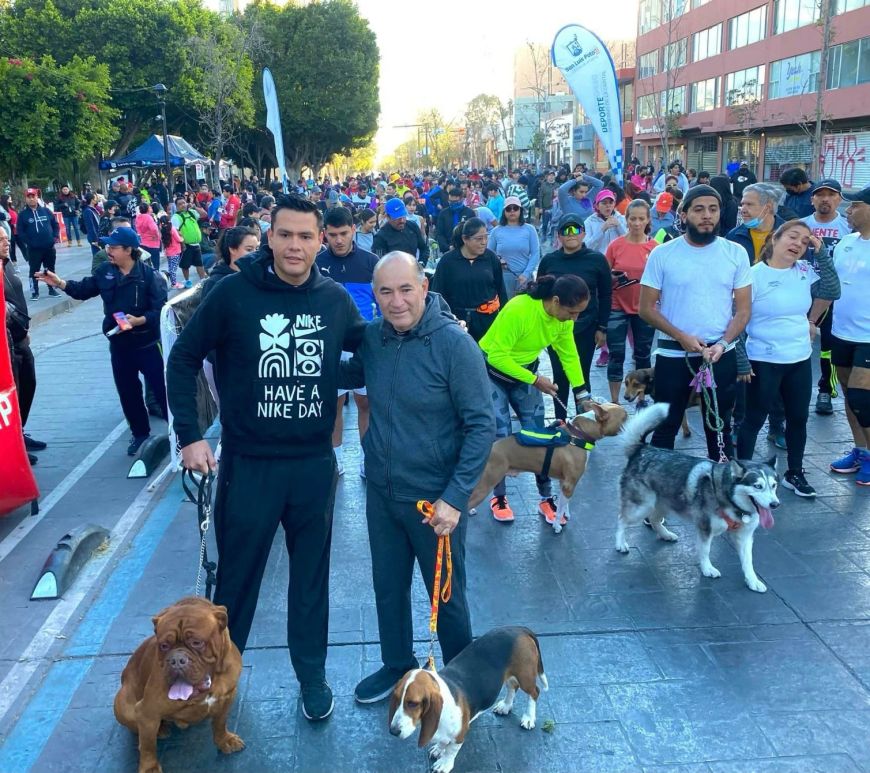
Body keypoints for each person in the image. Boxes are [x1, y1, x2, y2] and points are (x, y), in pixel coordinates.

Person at [166, 195, 367, 723]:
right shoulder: (233, 293)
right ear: (270, 237)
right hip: (249, 465)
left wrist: (431, 323)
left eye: (306, 236)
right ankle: (214, 678)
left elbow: (370, 351)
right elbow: (183, 357)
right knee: (235, 583)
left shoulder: (334, 299)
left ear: (321, 241)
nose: (295, 245)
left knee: (310, 582)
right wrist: (190, 436)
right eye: (286, 235)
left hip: (312, 467)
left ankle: (312, 676)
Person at [335, 251, 494, 704]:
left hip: (433, 500)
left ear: (424, 287)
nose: (397, 301)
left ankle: (463, 680)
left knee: (446, 595)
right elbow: (348, 373)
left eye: (406, 289)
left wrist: (455, 497)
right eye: (385, 292)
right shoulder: (374, 338)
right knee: (387, 587)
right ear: (374, 295)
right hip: (382, 492)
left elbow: (481, 425)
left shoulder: (454, 345)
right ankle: (396, 663)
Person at [639, 184, 751, 460]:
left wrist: (723, 343)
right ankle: (661, 484)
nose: (707, 215)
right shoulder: (663, 253)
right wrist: (681, 336)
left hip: (719, 354)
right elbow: (645, 308)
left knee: (719, 427)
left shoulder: (735, 252)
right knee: (666, 426)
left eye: (713, 209)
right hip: (673, 353)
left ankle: (721, 483)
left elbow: (743, 311)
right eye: (699, 209)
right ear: (684, 214)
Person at [36, 227, 167, 456]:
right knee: (128, 392)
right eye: (108, 246)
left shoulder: (150, 276)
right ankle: (140, 435)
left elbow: (161, 311)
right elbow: (83, 290)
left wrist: (140, 320)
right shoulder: (105, 271)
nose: (108, 251)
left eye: (114, 247)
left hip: (147, 344)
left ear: (129, 250)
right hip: (120, 346)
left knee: (162, 390)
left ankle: (179, 434)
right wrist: (59, 283)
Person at [736, 220, 840, 497]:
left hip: (798, 358)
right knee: (753, 419)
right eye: (793, 237)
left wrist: (821, 253)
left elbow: (832, 290)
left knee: (798, 418)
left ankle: (794, 473)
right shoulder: (753, 276)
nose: (798, 244)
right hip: (763, 360)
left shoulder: (804, 271)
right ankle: (742, 476)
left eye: (805, 241)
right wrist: (741, 360)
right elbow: (735, 320)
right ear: (775, 238)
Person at [478, 273, 591, 525]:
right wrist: (535, 380)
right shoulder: (520, 309)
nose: (574, 319)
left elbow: (569, 354)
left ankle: (546, 497)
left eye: (578, 313)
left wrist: (581, 391)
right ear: (555, 300)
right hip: (491, 373)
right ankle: (499, 496)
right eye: (572, 312)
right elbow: (497, 357)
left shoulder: (563, 320)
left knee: (539, 434)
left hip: (525, 373)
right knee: (500, 435)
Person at [315, 206, 379, 477]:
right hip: (328, 346)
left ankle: (368, 458)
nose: (339, 240)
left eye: (344, 233)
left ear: (354, 230)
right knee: (333, 405)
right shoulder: (315, 264)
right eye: (333, 235)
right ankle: (336, 458)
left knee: (366, 403)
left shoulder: (371, 262)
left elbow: (382, 302)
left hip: (363, 344)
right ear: (324, 235)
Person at [538, 212, 611, 416]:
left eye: (575, 229)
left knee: (582, 376)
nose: (571, 234)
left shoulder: (596, 260)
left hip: (586, 326)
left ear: (584, 233)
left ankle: (584, 422)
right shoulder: (549, 260)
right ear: (559, 235)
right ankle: (560, 422)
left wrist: (602, 327)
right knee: (559, 376)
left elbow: (606, 294)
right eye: (565, 230)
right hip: (555, 327)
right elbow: (540, 294)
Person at [829, 185, 870, 486]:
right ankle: (861, 451)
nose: (848, 211)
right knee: (848, 393)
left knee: (861, 397)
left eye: (855, 206)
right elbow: (830, 284)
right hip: (841, 332)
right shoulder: (845, 242)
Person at [801, 179, 852, 416]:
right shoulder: (802, 225)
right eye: (820, 194)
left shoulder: (847, 228)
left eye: (831, 195)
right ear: (812, 199)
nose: (825, 199)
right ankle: (794, 389)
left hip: (834, 295)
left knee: (828, 347)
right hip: (804, 292)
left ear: (839, 199)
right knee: (800, 341)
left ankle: (825, 390)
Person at [604, 200, 657, 402]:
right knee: (616, 354)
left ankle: (641, 399)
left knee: (643, 355)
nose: (636, 223)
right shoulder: (615, 246)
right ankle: (614, 402)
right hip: (617, 306)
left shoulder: (655, 248)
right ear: (625, 220)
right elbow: (603, 277)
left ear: (648, 220)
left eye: (641, 218)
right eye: (632, 218)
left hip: (645, 308)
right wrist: (613, 277)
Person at [1, 229, 44, 464]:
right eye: (0, 240)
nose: (6, 243)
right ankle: (13, 444)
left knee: (28, 384)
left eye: (6, 238)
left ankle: (20, 432)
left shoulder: (7, 265)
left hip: (20, 338)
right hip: (7, 343)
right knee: (13, 394)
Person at [431, 217, 507, 341]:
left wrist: (504, 318)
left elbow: (501, 291)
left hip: (488, 321)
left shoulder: (491, 258)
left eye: (486, 237)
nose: (484, 242)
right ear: (465, 239)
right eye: (479, 239)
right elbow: (438, 294)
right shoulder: (448, 261)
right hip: (456, 322)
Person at [487, 196, 540, 298]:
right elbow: (489, 253)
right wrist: (498, 260)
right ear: (504, 211)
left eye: (515, 208)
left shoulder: (530, 229)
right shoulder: (496, 231)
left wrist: (526, 274)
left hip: (525, 277)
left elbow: (535, 253)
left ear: (520, 210)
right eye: (508, 209)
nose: (512, 211)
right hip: (503, 277)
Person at [17, 188, 60, 301]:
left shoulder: (46, 211)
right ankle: (34, 292)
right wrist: (30, 243)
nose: (31, 199)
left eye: (33, 196)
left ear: (37, 197)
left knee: (50, 269)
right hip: (34, 249)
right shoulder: (23, 215)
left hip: (49, 247)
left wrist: (54, 237)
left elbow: (55, 225)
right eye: (29, 197)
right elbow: (20, 232)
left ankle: (52, 289)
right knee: (34, 271)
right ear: (26, 199)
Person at [727, 184, 786, 265]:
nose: (743, 210)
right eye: (742, 204)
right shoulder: (734, 236)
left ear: (768, 207)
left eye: (749, 204)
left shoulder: (790, 234)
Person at [200, 225, 260, 302]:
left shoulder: (257, 276)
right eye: (249, 249)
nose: (255, 253)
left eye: (256, 248)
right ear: (232, 249)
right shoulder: (215, 282)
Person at [372, 198, 429, 264]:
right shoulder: (380, 237)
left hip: (413, 267)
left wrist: (421, 263)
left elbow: (424, 248)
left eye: (403, 216)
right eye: (397, 218)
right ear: (388, 217)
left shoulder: (412, 226)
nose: (402, 221)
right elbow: (379, 262)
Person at [171, 197, 206, 288]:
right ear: (176, 207)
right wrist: (182, 244)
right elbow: (175, 232)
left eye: (184, 203)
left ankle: (203, 280)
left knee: (199, 263)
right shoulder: (176, 217)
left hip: (196, 244)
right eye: (180, 204)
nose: (183, 205)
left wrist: (194, 207)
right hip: (186, 245)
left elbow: (204, 214)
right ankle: (187, 281)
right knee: (185, 265)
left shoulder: (191, 212)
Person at [584, 189, 628, 253]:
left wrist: (619, 226)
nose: (608, 205)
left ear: (614, 204)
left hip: (618, 257)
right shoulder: (589, 222)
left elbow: (630, 241)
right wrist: (602, 230)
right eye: (604, 203)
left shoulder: (622, 219)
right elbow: (587, 247)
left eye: (611, 202)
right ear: (597, 206)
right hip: (599, 258)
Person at [435, 188, 476, 254]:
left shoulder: (470, 213)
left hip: (467, 248)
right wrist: (447, 247)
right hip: (448, 249)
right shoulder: (443, 213)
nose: (452, 204)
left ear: (462, 199)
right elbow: (439, 233)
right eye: (450, 201)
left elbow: (474, 232)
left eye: (455, 202)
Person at [158, 215, 184, 289]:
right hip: (175, 251)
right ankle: (174, 284)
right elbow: (178, 239)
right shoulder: (172, 229)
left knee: (171, 268)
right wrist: (182, 238)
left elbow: (162, 241)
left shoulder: (162, 230)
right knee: (173, 269)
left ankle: (173, 283)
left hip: (169, 253)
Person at [135, 202, 162, 270]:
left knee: (146, 265)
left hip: (142, 243)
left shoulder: (138, 217)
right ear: (147, 209)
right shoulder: (148, 217)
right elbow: (154, 229)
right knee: (155, 265)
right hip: (152, 243)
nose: (151, 208)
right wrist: (157, 236)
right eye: (150, 207)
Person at [81, 193, 102, 257]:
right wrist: (94, 239)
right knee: (97, 255)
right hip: (94, 237)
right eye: (95, 198)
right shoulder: (88, 211)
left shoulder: (93, 209)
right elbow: (90, 226)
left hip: (98, 234)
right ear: (92, 200)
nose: (97, 199)